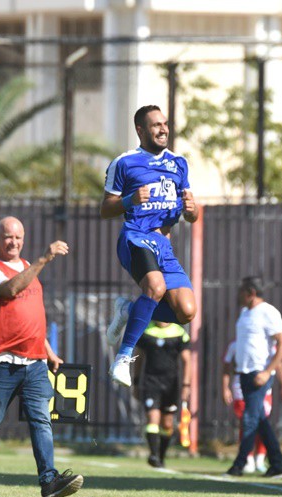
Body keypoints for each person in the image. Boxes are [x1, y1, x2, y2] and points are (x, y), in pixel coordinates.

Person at [0, 216, 83, 497]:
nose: (13, 242)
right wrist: (44, 259)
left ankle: (49, 482)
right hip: (2, 364)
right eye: (8, 237)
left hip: (34, 363)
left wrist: (49, 352)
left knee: (41, 421)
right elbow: (11, 290)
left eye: (18, 237)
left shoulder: (28, 267)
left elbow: (32, 318)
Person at [101, 105, 199, 388]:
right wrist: (130, 200)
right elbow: (106, 209)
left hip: (163, 246)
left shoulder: (179, 163)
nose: (163, 129)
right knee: (155, 287)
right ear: (140, 130)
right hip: (135, 237)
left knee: (186, 312)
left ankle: (129, 311)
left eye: (165, 124)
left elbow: (192, 214)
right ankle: (123, 358)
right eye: (156, 125)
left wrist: (192, 210)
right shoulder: (124, 163)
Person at [225, 277, 282, 479]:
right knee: (260, 420)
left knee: (250, 419)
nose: (238, 295)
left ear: (251, 293)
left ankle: (239, 465)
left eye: (241, 291)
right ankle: (277, 464)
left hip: (259, 374)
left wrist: (267, 371)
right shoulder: (245, 313)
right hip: (244, 374)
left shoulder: (268, 312)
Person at [222, 339, 282, 473]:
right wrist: (225, 388)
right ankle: (247, 459)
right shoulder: (235, 345)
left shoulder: (268, 346)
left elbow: (278, 364)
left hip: (263, 388)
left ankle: (260, 458)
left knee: (261, 422)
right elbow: (226, 366)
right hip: (241, 388)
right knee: (247, 422)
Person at [132, 321, 192, 468]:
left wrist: (186, 385)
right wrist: (136, 382)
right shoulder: (146, 331)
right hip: (150, 382)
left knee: (167, 423)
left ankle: (161, 456)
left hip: (171, 384)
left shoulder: (179, 332)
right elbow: (138, 357)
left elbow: (187, 361)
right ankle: (153, 455)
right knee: (153, 418)